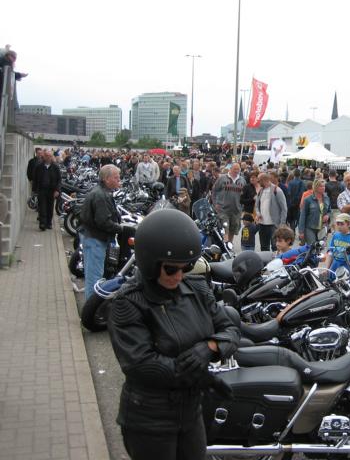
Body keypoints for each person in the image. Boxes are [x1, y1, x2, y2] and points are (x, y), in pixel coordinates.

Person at [108, 209, 240, 460]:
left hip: (191, 413)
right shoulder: (129, 301)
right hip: (150, 418)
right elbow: (141, 364)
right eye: (170, 269)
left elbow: (231, 329)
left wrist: (209, 348)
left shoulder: (197, 289)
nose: (179, 276)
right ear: (150, 262)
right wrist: (199, 376)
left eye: (186, 267)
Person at [79, 165, 132, 301]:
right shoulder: (101, 195)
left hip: (94, 238)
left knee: (93, 275)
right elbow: (103, 221)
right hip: (96, 240)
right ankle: (90, 309)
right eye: (116, 177)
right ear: (107, 179)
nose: (119, 179)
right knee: (94, 278)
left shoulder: (102, 192)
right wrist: (122, 229)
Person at [211, 163, 246, 243]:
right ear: (230, 169)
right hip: (223, 209)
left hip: (236, 210)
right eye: (235, 169)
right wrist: (215, 203)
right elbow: (214, 190)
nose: (236, 171)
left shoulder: (242, 180)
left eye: (238, 169)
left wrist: (242, 206)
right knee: (225, 229)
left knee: (232, 230)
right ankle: (225, 244)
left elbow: (244, 195)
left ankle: (229, 245)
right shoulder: (222, 178)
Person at [255, 172, 288, 251]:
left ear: (264, 180)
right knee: (263, 247)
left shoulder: (277, 190)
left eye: (259, 181)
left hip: (274, 224)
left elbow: (284, 208)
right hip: (262, 224)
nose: (258, 183)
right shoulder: (260, 191)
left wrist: (282, 224)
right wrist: (258, 213)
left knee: (275, 247)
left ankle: (276, 259)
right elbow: (257, 205)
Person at [326, 213, 350, 282]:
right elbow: (330, 253)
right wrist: (327, 269)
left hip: (347, 267)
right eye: (338, 224)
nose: (339, 226)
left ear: (348, 224)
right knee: (331, 285)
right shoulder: (335, 236)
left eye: (342, 224)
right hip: (335, 265)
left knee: (345, 286)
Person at [32, 150, 61, 231]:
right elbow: (35, 178)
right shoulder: (39, 166)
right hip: (41, 190)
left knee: (50, 207)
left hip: (51, 190)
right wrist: (34, 190)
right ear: (44, 156)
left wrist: (57, 190)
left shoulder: (55, 167)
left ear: (52, 157)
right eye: (47, 156)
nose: (48, 157)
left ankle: (49, 223)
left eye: (50, 156)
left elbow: (59, 180)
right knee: (42, 207)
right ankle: (42, 223)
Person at [298, 179, 330, 245]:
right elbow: (303, 215)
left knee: (320, 247)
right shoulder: (308, 199)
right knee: (312, 246)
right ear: (315, 187)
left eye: (324, 186)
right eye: (321, 186)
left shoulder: (327, 198)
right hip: (310, 227)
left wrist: (328, 215)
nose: (323, 188)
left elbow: (329, 211)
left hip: (322, 228)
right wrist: (301, 231)